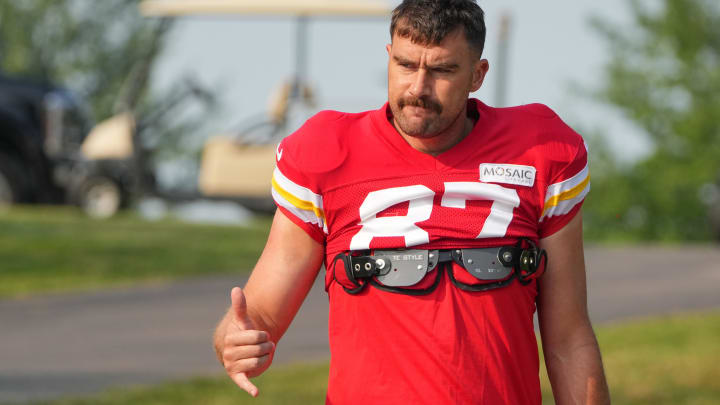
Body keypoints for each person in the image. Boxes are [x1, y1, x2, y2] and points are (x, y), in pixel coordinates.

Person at [213, 0, 610, 403]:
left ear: (478, 74)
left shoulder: (540, 151)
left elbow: (568, 338)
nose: (418, 88)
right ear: (388, 57)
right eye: (405, 65)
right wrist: (236, 341)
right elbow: (258, 315)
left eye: (442, 70)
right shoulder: (327, 153)